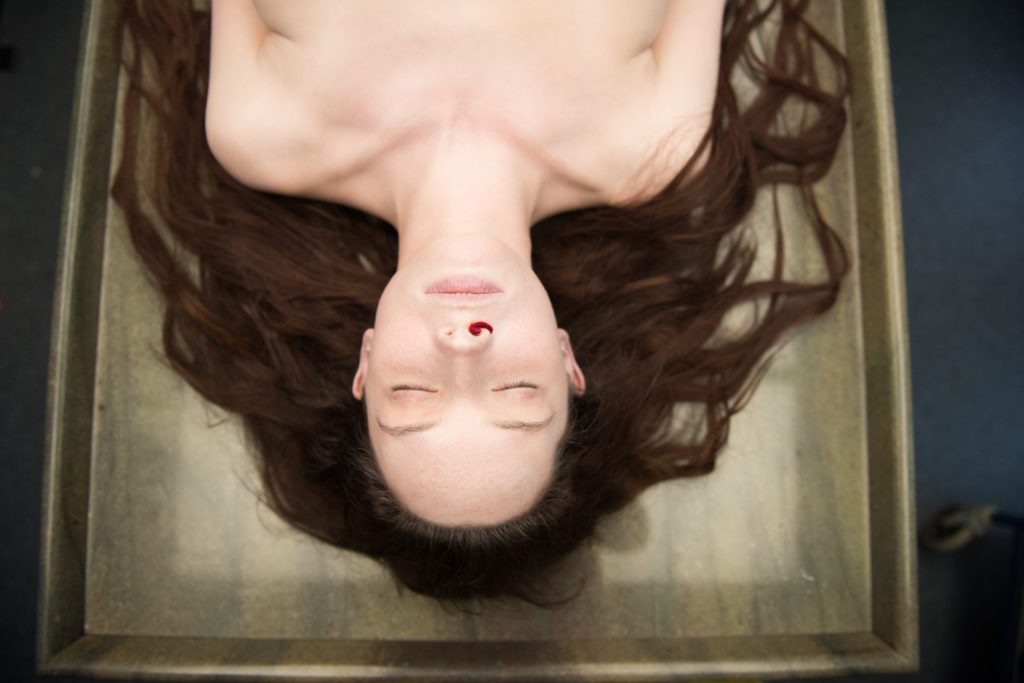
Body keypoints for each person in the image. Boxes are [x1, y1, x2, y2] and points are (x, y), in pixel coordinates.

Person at [113, 0, 850, 602]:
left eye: (413, 392)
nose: (464, 346)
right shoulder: (659, 146)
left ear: (366, 364)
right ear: (567, 364)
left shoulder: (257, 130)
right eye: (515, 390)